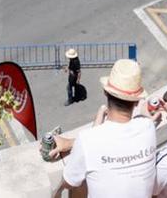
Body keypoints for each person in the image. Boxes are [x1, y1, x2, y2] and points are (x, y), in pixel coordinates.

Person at [50, 58, 157, 196]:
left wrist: (56, 192)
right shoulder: (148, 127)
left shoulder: (89, 139)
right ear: (137, 102)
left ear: (105, 92)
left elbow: (69, 181)